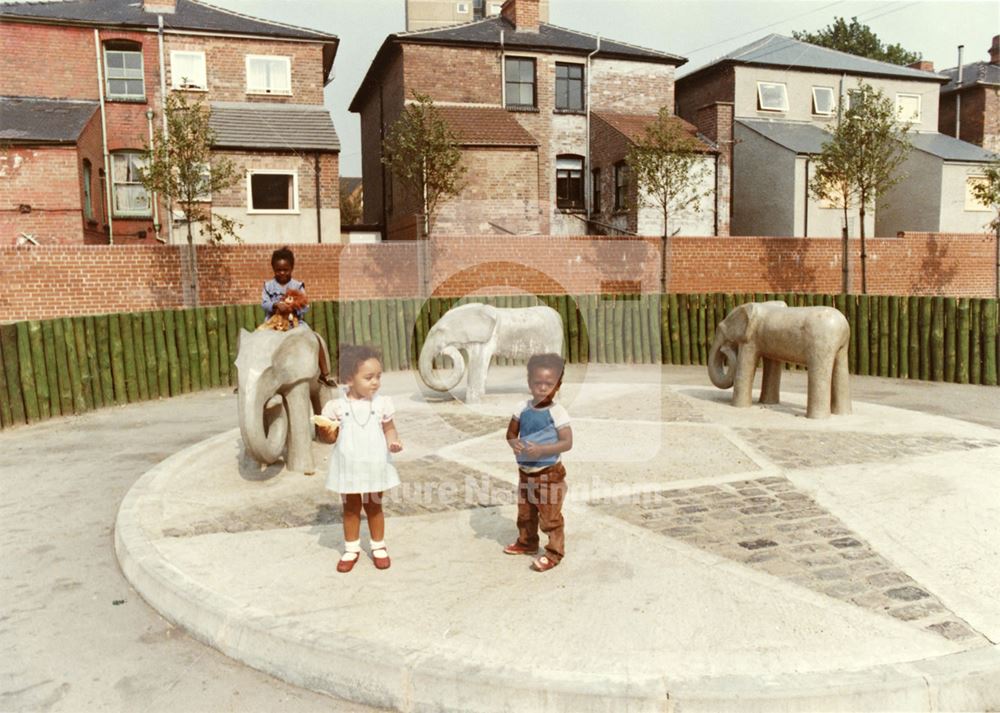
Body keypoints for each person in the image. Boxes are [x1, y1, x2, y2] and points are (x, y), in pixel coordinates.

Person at [315, 345, 403, 573]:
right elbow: (330, 436)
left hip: (374, 464)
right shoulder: (337, 407)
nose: (375, 382)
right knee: (351, 507)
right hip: (348, 464)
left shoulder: (381, 403)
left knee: (374, 505)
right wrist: (327, 431)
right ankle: (351, 548)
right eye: (369, 377)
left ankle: (378, 546)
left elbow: (389, 428)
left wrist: (394, 441)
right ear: (349, 379)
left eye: (378, 376)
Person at [503, 353, 573, 572]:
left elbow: (567, 442)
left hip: (549, 474)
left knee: (550, 516)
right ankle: (527, 542)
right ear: (529, 383)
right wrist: (515, 444)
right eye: (537, 383)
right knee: (526, 512)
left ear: (558, 385)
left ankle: (554, 552)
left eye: (548, 384)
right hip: (526, 472)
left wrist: (542, 450)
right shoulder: (522, 408)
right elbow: (511, 433)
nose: (542, 388)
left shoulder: (557, 412)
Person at [261, 246, 335, 387]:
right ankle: (252, 376)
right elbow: (264, 303)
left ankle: (324, 374)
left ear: (292, 268)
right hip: (274, 322)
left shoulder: (298, 285)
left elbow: (305, 305)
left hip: (293, 322)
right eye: (278, 270)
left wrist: (293, 307)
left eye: (285, 269)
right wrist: (276, 305)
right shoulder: (268, 286)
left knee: (314, 338)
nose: (282, 273)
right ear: (273, 269)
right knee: (257, 341)